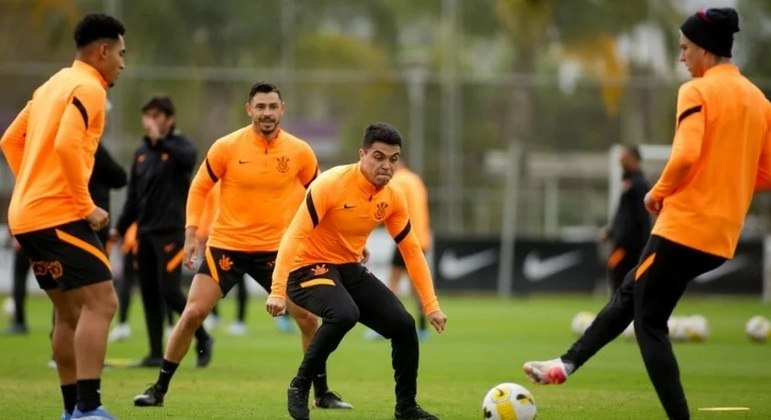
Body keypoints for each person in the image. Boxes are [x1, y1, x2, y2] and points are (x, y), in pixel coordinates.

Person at [523, 8, 771, 420]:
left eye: (685, 48)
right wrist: (728, 179)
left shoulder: (697, 91)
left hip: (684, 226)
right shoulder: (759, 101)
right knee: (631, 295)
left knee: (649, 322)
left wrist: (658, 192)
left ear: (705, 50)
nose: (682, 57)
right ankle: (564, 364)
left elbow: (686, 154)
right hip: (722, 236)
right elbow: (765, 173)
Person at [132, 81, 351, 411]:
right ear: (249, 109)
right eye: (260, 107)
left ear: (282, 109)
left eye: (272, 107)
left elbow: (319, 199)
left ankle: (321, 393)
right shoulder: (226, 146)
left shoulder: (300, 152)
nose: (266, 113)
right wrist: (191, 234)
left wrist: (340, 242)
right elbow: (198, 188)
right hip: (226, 248)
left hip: (279, 252)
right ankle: (158, 389)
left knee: (307, 318)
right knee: (192, 313)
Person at [266, 122, 448, 420]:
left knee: (403, 326)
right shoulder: (330, 184)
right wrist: (277, 291)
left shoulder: (393, 196)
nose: (386, 165)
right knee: (344, 313)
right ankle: (300, 386)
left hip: (347, 267)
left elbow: (412, 251)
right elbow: (294, 237)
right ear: (361, 154)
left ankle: (406, 408)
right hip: (306, 268)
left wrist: (431, 306)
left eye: (393, 159)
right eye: (378, 156)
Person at [0, 13, 125, 419]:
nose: (122, 63)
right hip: (58, 213)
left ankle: (72, 410)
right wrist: (85, 205)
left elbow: (10, 140)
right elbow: (68, 145)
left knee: (70, 313)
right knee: (103, 302)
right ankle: (89, 409)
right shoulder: (88, 87)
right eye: (121, 54)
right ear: (102, 51)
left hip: (28, 213)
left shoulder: (51, 84)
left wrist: (32, 186)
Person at [115, 95, 213, 368]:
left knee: (169, 291)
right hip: (144, 233)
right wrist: (119, 230)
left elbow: (189, 160)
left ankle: (203, 337)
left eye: (158, 116)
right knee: (148, 291)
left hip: (171, 232)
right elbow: (133, 197)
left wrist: (162, 140)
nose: (152, 122)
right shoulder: (142, 153)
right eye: (149, 116)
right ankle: (156, 352)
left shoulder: (180, 146)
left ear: (170, 119)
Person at [386, 160, 433, 340]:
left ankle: (385, 324)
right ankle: (422, 328)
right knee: (417, 286)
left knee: (393, 282)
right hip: (422, 237)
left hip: (406, 237)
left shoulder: (399, 180)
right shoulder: (415, 179)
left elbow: (387, 205)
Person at [598, 145, 650, 291]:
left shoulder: (638, 184)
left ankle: (620, 312)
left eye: (624, 157)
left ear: (634, 159)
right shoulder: (629, 182)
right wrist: (611, 231)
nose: (621, 160)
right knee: (618, 277)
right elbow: (624, 215)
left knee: (620, 278)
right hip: (623, 242)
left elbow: (642, 216)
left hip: (629, 245)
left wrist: (645, 242)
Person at [4, 236, 31, 335]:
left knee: (19, 277)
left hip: (26, 236)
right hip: (44, 236)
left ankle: (20, 323)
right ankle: (67, 320)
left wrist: (18, 237)